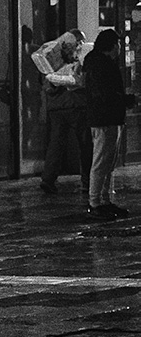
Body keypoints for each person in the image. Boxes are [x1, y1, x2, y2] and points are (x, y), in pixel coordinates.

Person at [32, 27, 89, 195]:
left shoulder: (50, 54)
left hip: (56, 106)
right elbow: (80, 79)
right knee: (85, 144)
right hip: (76, 104)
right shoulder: (79, 55)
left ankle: (48, 179)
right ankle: (87, 181)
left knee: (56, 143)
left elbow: (44, 80)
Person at [81, 27, 129, 222]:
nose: (120, 48)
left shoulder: (99, 63)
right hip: (105, 119)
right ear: (111, 45)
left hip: (109, 118)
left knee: (107, 162)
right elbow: (105, 94)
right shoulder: (101, 65)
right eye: (118, 44)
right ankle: (96, 202)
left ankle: (104, 199)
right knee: (102, 162)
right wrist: (126, 100)